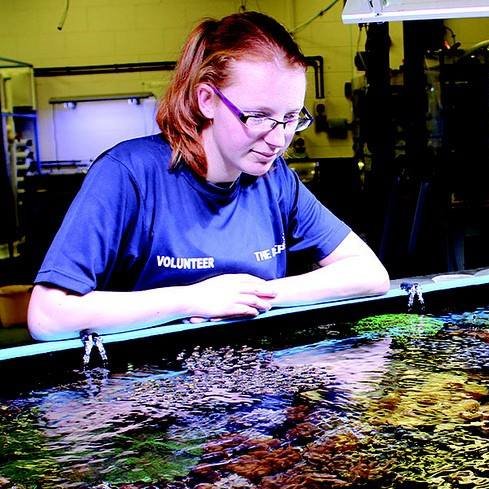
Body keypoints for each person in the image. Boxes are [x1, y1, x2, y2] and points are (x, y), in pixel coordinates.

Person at [27, 11, 389, 342]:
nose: (278, 140)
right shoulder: (129, 175)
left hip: (255, 391)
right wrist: (194, 300)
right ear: (207, 100)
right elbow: (48, 315)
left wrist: (257, 295)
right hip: (155, 394)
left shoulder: (274, 181)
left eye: (291, 117)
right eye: (258, 116)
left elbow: (369, 274)